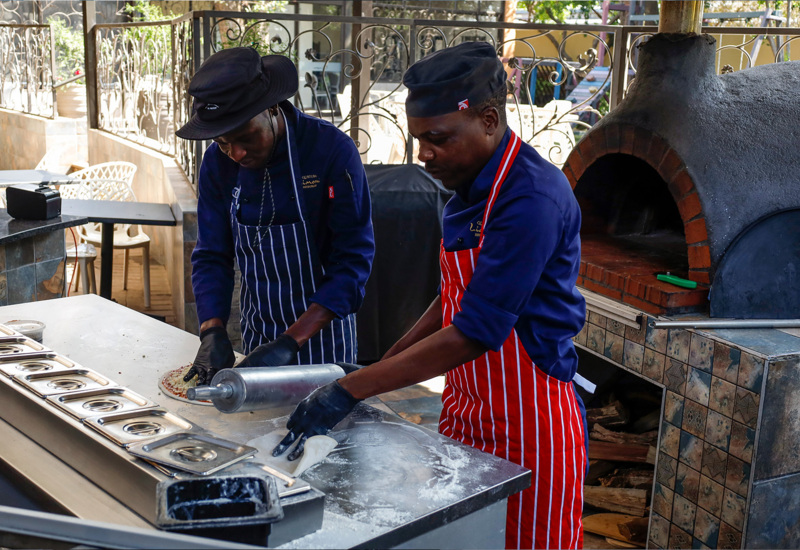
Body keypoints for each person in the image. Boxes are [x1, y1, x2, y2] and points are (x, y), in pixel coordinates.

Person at [272, 42, 589, 549]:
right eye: (419, 139)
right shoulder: (470, 188)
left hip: (529, 425)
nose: (423, 154)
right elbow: (456, 296)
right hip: (465, 409)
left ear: (488, 120)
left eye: (437, 139)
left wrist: (351, 389)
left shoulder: (531, 198)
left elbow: (474, 331)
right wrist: (387, 362)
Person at [175, 47, 374, 385]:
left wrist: (290, 342)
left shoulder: (330, 151)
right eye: (223, 142)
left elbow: (352, 262)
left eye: (246, 137)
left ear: (272, 108)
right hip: (258, 334)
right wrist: (212, 331)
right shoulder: (217, 164)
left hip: (324, 339)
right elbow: (212, 255)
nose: (236, 153)